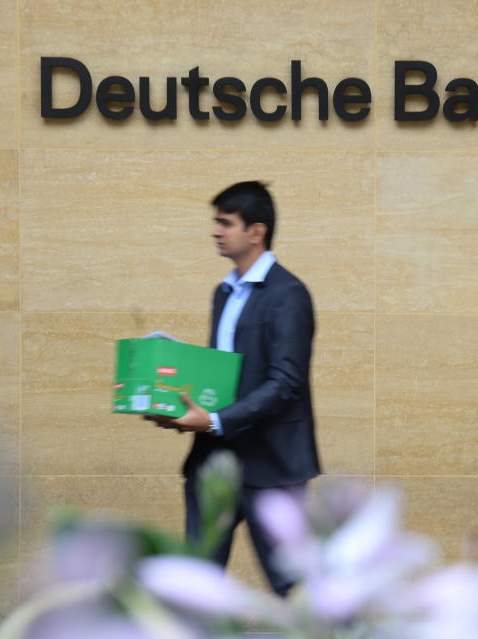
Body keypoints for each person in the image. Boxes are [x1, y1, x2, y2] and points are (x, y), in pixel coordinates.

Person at [150, 181, 320, 597]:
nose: (215, 231)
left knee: (294, 587)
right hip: (213, 462)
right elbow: (221, 375)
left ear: (256, 232)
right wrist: (172, 404)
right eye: (216, 223)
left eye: (226, 223)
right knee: (198, 584)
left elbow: (285, 384)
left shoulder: (289, 295)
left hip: (271, 466)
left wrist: (215, 419)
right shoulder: (224, 292)